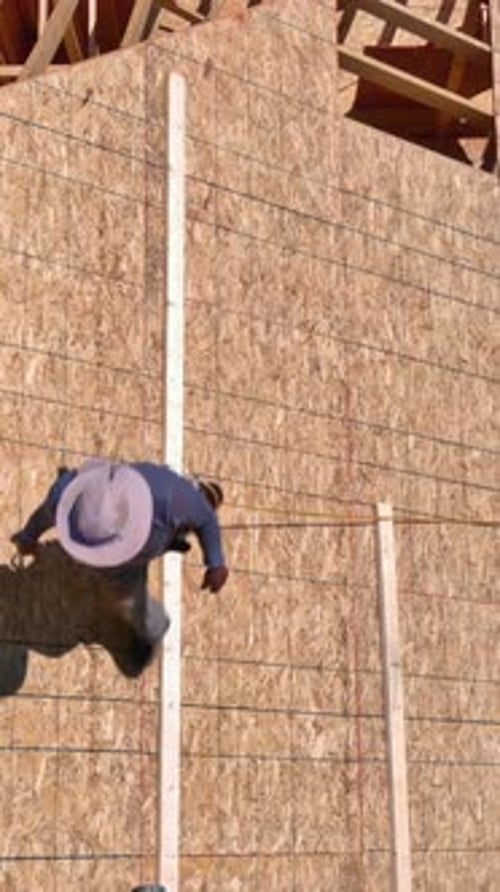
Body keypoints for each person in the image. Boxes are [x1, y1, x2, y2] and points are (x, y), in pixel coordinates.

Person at [10, 459, 229, 673]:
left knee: (131, 594)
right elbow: (206, 518)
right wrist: (216, 564)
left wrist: (28, 538)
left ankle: (144, 627)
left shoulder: (70, 494)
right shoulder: (179, 498)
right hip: (121, 551)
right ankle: (148, 630)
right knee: (137, 603)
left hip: (127, 539)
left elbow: (46, 512)